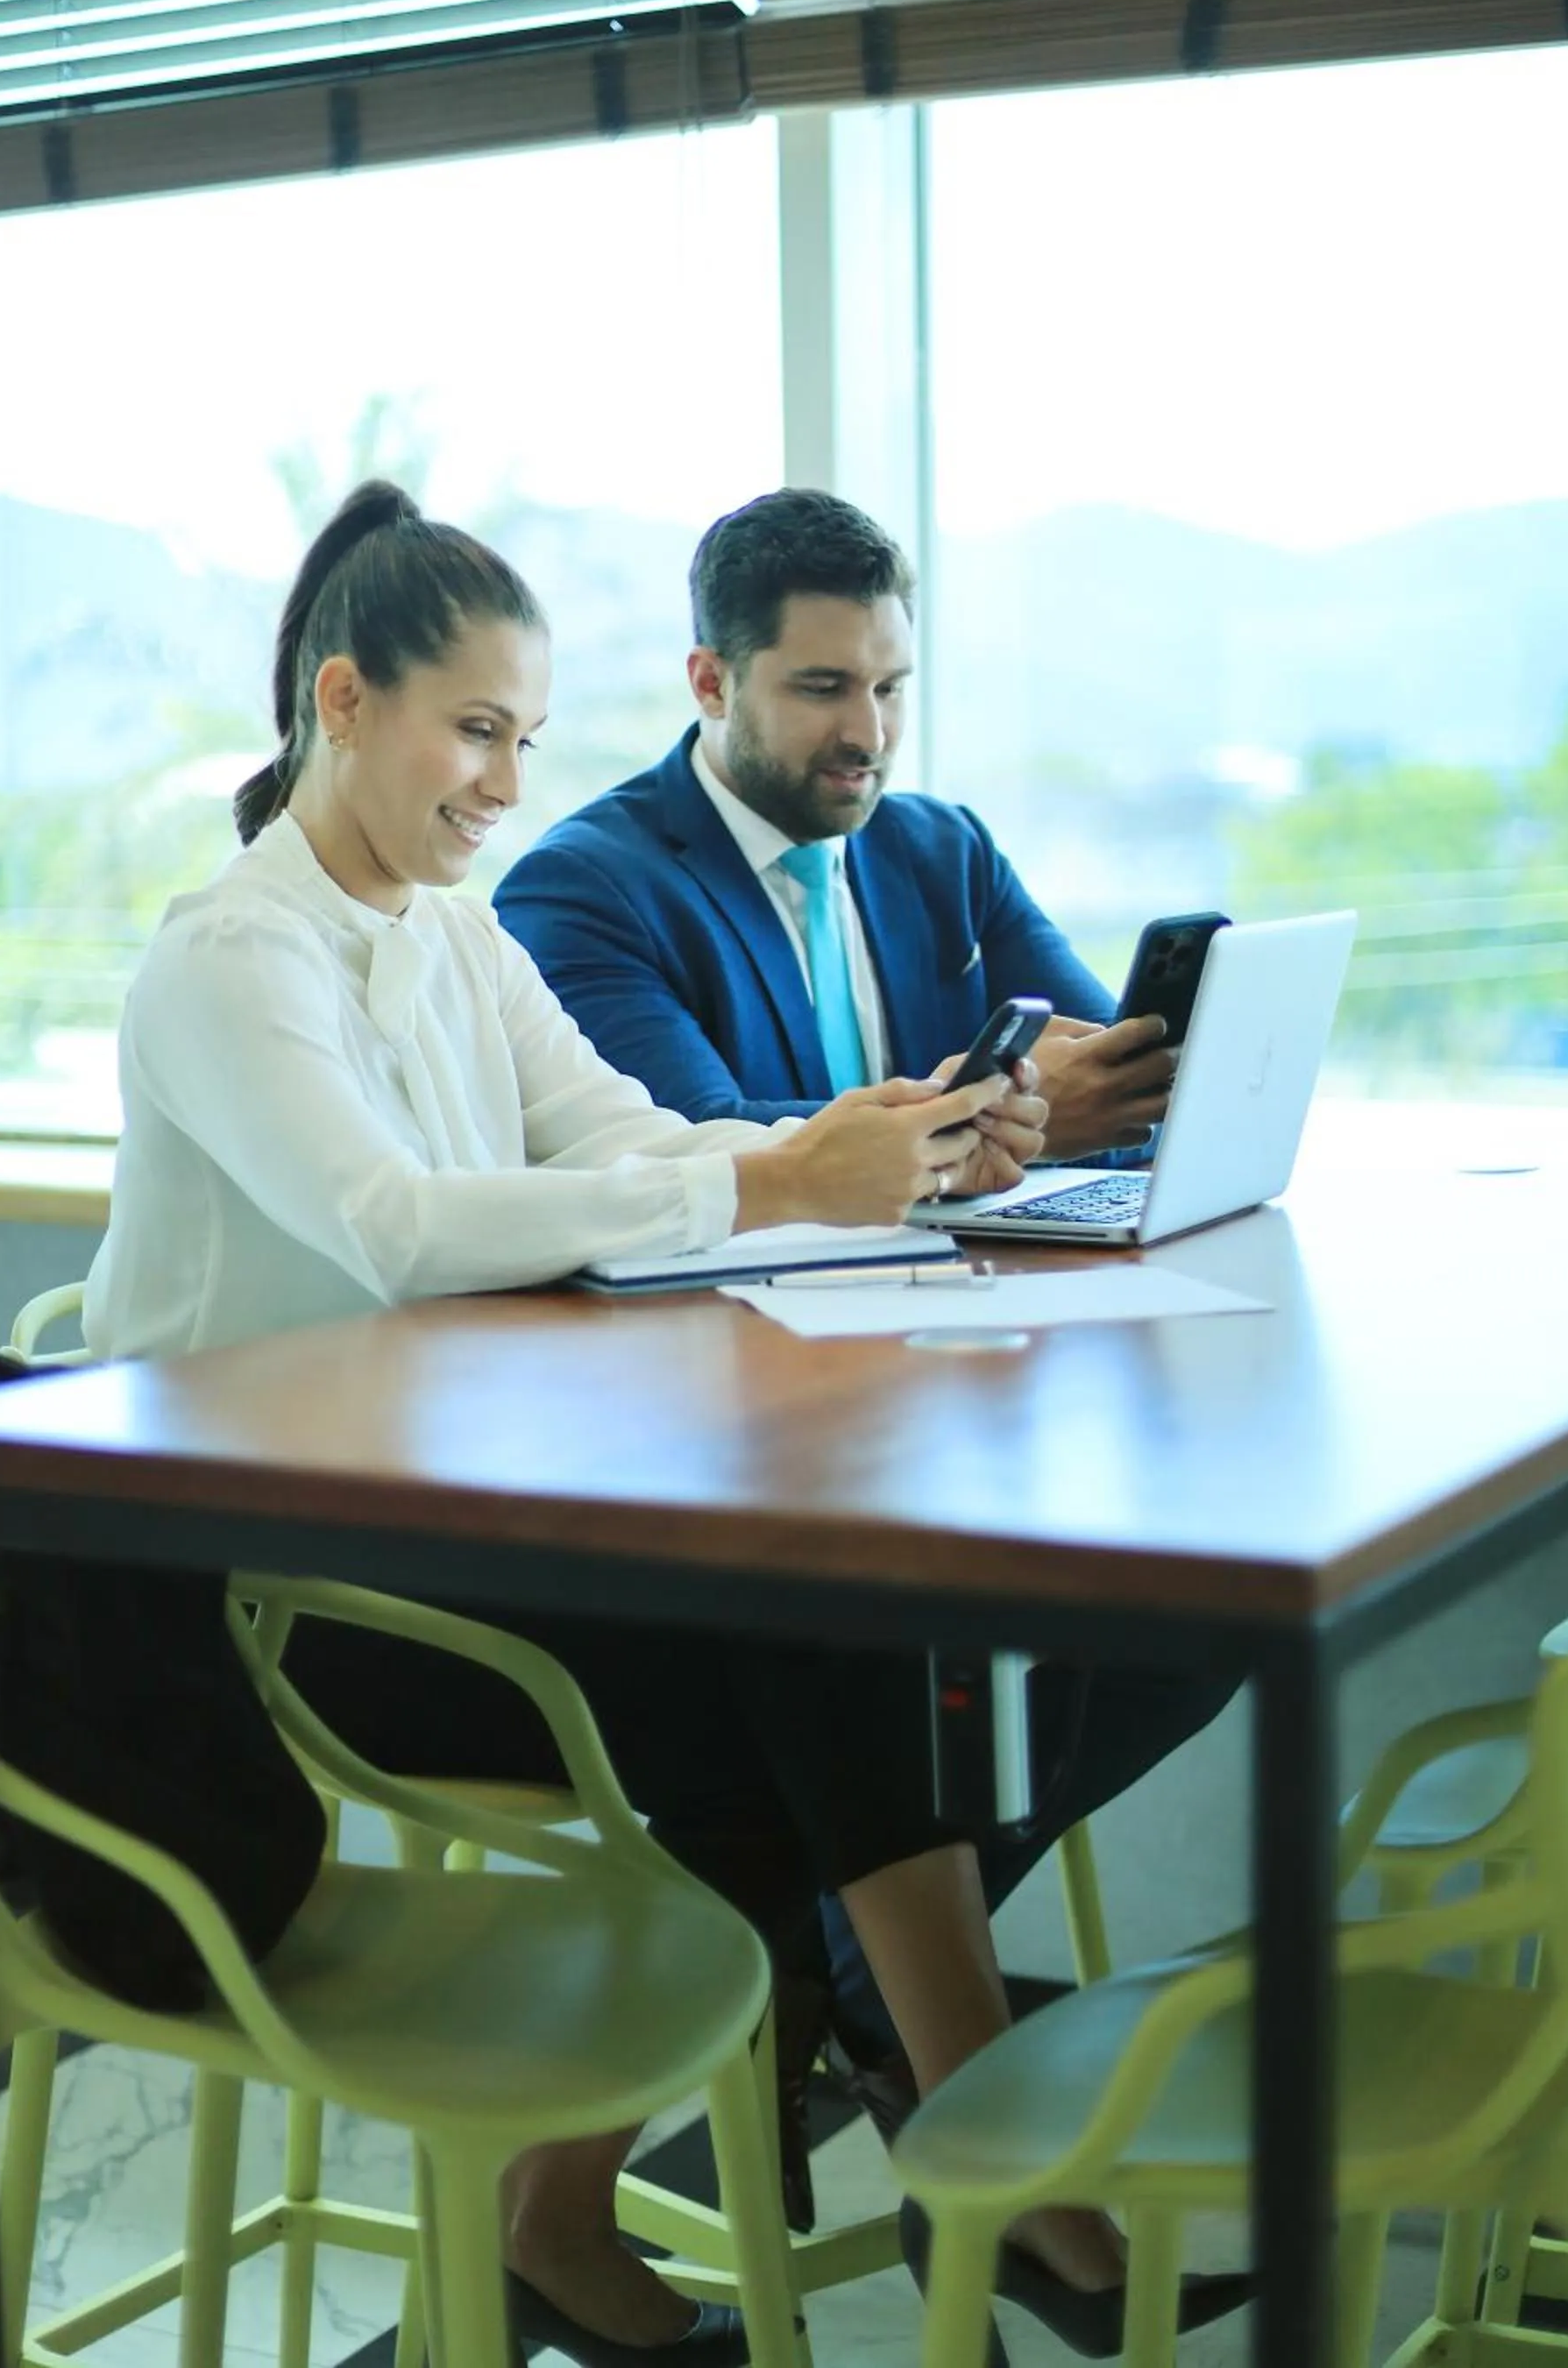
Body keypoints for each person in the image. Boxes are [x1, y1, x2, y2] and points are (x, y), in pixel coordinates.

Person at [83, 483, 1246, 2366]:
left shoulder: (452, 937)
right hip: (289, 1591)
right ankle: (963, 2163)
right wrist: (780, 1184)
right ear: (344, 701)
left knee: (824, 1638)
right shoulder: (234, 957)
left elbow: (629, 1136)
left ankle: (677, 2200)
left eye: (526, 741)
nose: (503, 784)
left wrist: (852, 1150)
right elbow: (397, 1226)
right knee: (808, 1661)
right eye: (474, 731)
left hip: (450, 1514)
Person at [494, 486, 1240, 2126]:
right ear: (713, 681)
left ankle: (851, 1954)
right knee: (865, 1675)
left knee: (1198, 1616)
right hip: (709, 1443)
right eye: (824, 688)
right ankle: (908, 2007)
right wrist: (994, 1113)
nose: (870, 733)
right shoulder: (586, 889)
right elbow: (712, 1153)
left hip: (931, 1402)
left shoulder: (934, 849)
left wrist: (1094, 1096)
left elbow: (1111, 1083)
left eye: (892, 685)